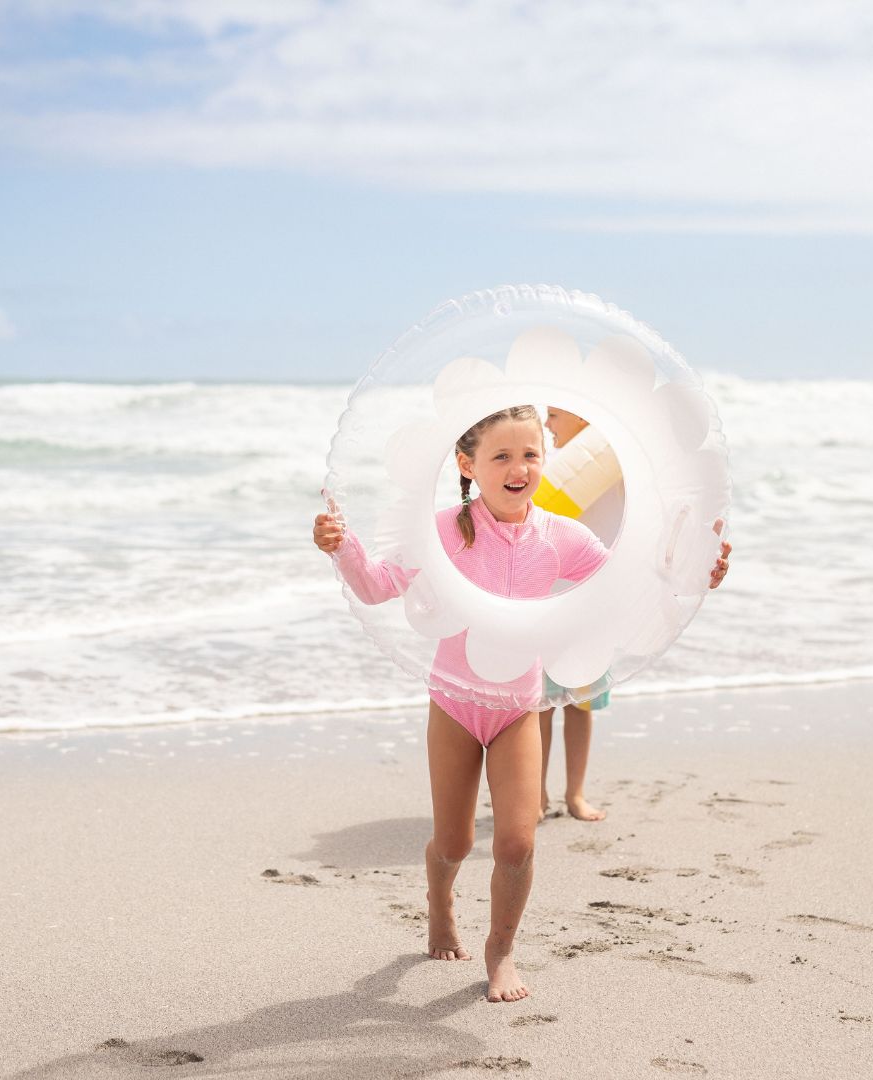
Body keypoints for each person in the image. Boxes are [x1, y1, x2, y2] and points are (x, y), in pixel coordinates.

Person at [313, 405, 731, 1003]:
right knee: (454, 843)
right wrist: (341, 544)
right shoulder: (439, 532)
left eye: (530, 454)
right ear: (467, 464)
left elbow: (632, 585)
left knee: (518, 842)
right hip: (455, 703)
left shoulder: (561, 535)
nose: (518, 468)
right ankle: (440, 901)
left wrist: (697, 572)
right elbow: (377, 586)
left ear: (544, 459)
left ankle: (501, 951)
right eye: (501, 456)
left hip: (518, 708)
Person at [535, 407, 623, 822]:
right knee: (540, 705)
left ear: (584, 420)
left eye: (554, 415)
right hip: (547, 603)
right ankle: (535, 794)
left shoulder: (615, 468)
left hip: (590, 605)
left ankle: (575, 793)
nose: (547, 424)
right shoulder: (541, 470)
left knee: (580, 704)